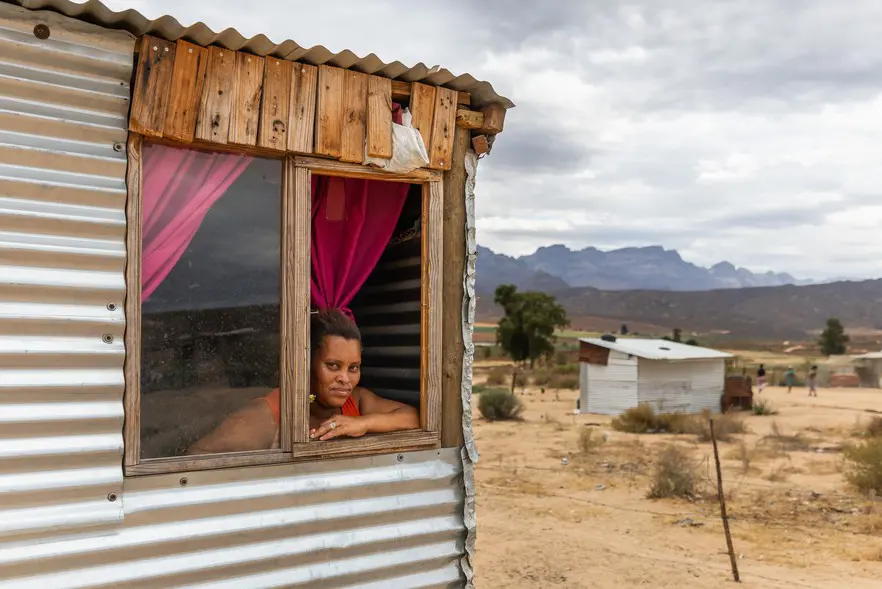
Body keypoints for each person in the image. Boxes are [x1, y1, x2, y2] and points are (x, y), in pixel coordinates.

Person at [186, 309, 420, 455]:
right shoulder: (271, 414)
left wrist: (363, 423)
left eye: (353, 368)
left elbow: (413, 416)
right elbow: (197, 456)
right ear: (305, 365)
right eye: (333, 365)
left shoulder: (357, 401)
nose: (345, 379)